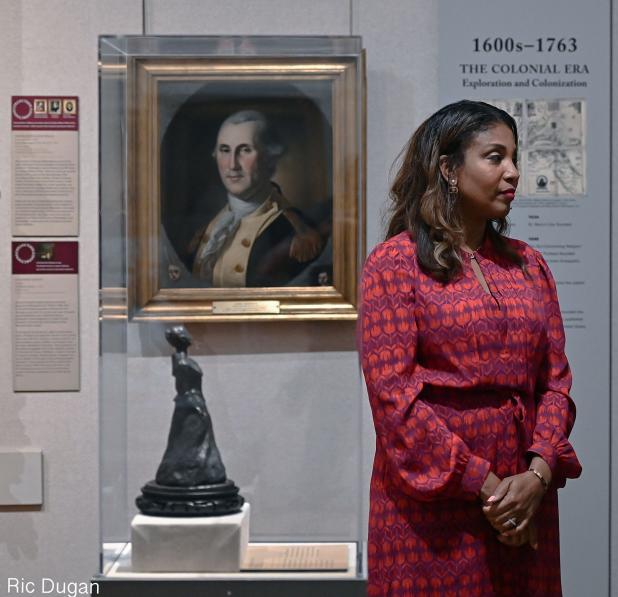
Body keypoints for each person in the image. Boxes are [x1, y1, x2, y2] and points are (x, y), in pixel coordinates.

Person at [359, 100, 581, 596]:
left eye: (515, 158)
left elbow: (556, 384)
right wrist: (489, 487)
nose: (514, 172)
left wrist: (537, 475)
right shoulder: (395, 266)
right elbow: (394, 400)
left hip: (525, 499)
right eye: (495, 157)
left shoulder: (529, 265)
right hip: (435, 508)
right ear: (448, 168)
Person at [186, 109, 330, 287]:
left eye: (245, 150)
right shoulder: (205, 228)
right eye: (225, 150)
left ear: (270, 158)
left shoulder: (295, 232)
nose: (232, 165)